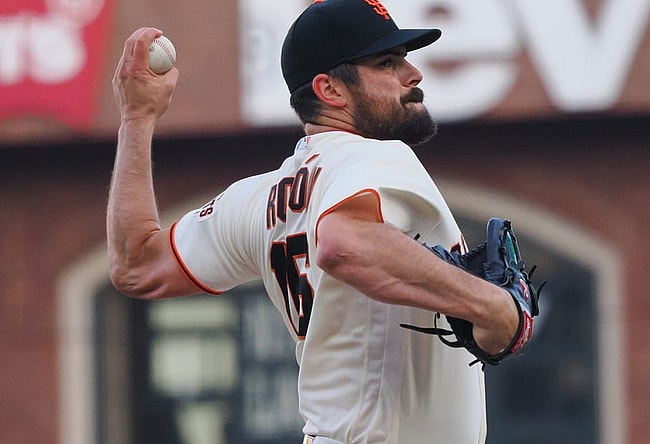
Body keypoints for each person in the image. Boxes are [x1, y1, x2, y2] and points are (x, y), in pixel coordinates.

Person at [108, 0, 522, 442]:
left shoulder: (260, 198)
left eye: (404, 58)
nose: (412, 73)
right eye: (386, 62)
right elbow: (344, 243)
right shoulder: (378, 156)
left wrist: (137, 119)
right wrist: (494, 306)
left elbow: (138, 264)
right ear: (330, 90)